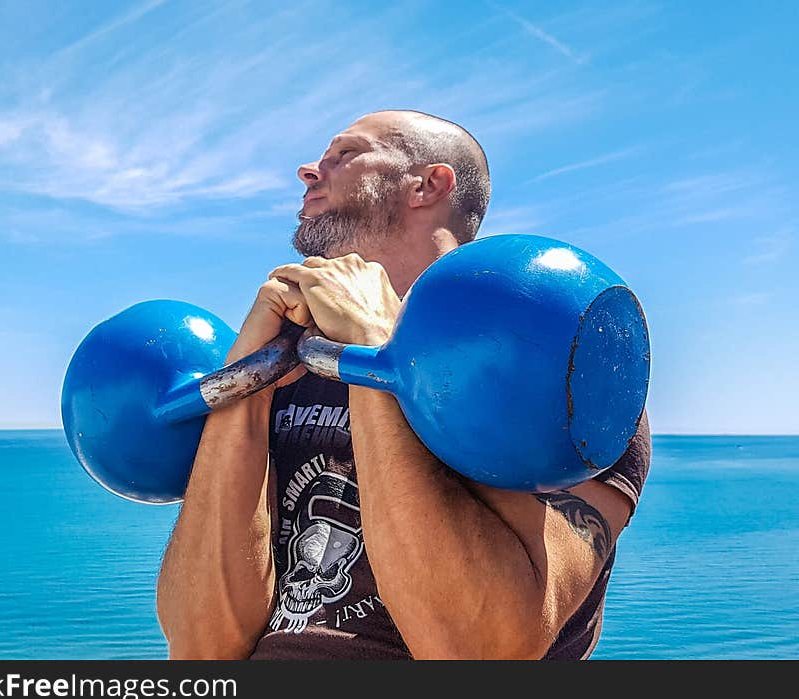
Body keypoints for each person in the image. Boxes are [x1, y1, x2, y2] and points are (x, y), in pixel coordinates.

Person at [155, 110, 652, 660]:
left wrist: (373, 340)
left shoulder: (558, 367)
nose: (307, 170)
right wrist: (246, 380)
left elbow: (479, 651)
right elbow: (202, 648)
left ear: (427, 185)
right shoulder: (288, 361)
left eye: (344, 154)